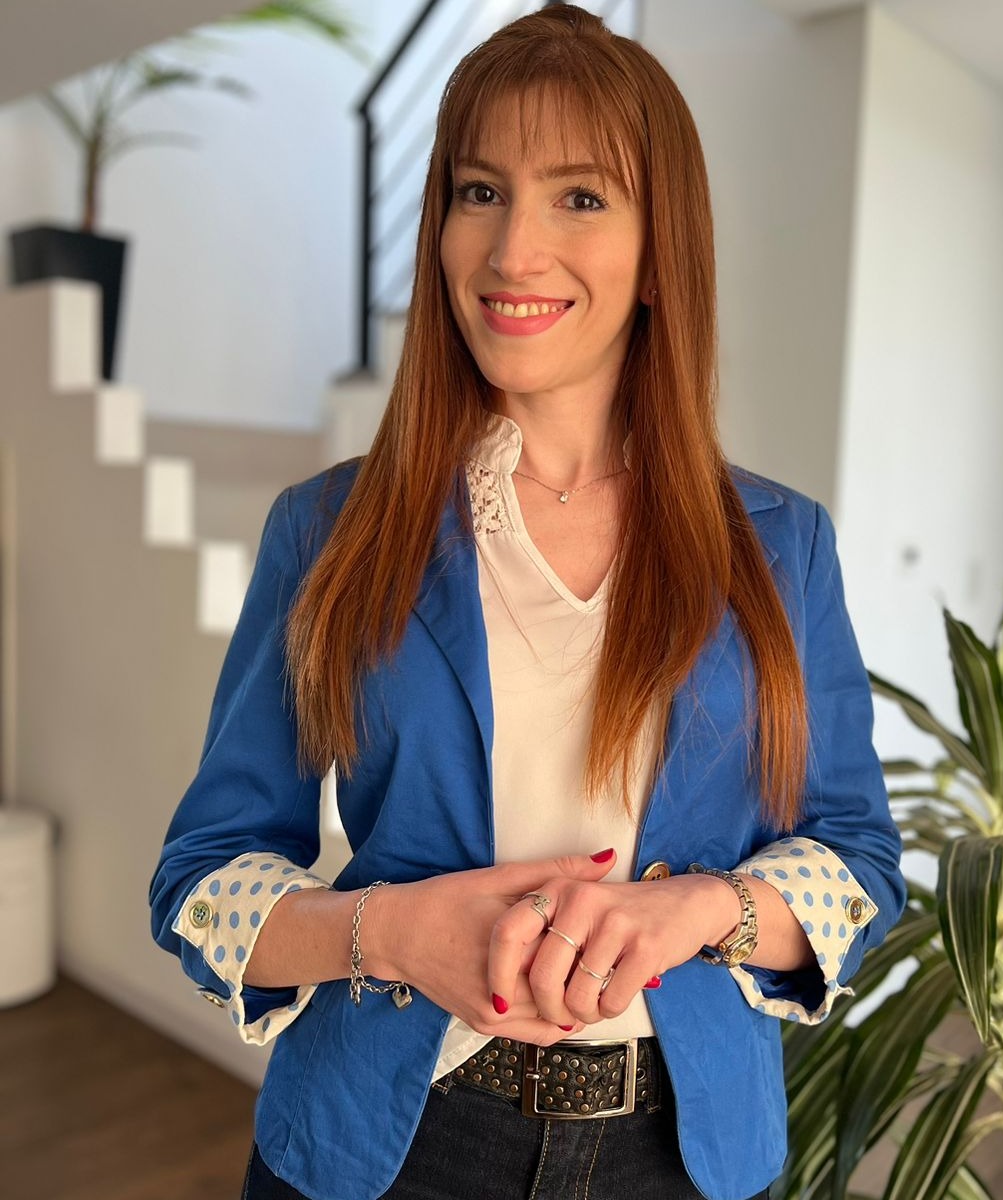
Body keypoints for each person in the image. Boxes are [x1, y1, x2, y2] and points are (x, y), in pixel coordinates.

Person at [149, 7, 905, 1200]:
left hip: (681, 1157)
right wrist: (392, 933)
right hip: (389, 1147)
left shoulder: (781, 547)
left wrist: (699, 912)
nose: (513, 250)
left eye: (580, 197)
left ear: (661, 251)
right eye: (480, 191)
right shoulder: (329, 529)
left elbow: (858, 861)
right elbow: (203, 879)